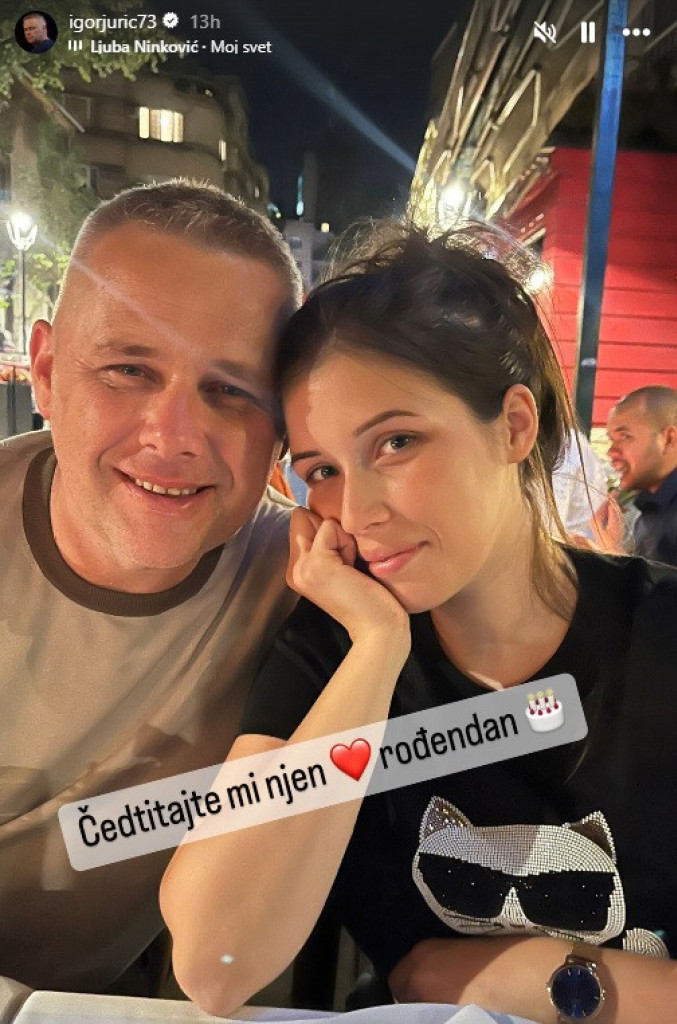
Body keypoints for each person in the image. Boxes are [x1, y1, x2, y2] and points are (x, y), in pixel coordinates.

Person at [161, 225, 677, 1023]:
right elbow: (213, 962)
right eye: (321, 471)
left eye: (396, 442)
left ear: (513, 426)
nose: (359, 510)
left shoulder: (657, 631)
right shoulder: (332, 651)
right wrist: (376, 648)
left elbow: (431, 977)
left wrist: (536, 978)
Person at [0, 180, 303, 1000]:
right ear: (47, 371)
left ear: (280, 429)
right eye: (129, 370)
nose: (173, 438)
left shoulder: (304, 580)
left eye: (230, 390)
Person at [607, 386, 677, 567]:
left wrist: (610, 551)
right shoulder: (651, 509)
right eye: (612, 440)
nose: (611, 452)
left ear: (669, 439)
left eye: (625, 437)